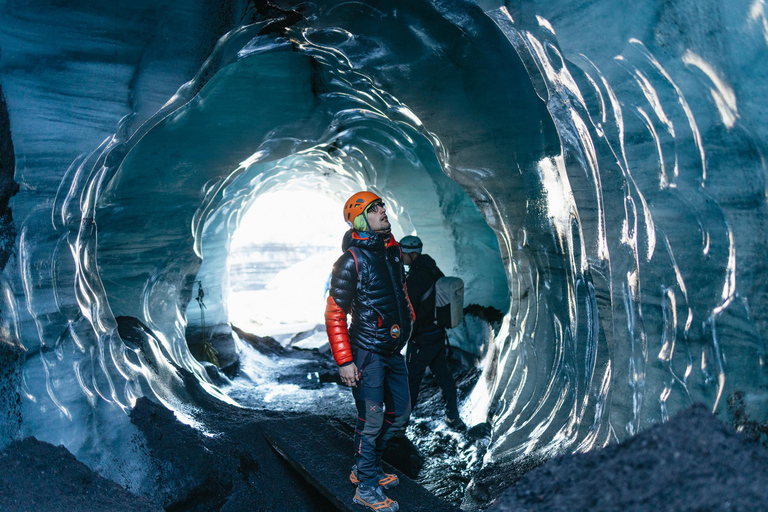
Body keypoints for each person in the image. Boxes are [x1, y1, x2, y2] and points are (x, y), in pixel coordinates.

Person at [325, 191, 414, 512]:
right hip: (366, 353)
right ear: (361, 219)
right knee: (371, 419)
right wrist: (345, 361)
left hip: (392, 349)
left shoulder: (392, 250)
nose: (382, 212)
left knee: (401, 414)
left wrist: (409, 325)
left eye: (381, 207)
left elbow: (399, 293)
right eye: (374, 210)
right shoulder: (350, 261)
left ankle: (369, 466)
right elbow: (335, 312)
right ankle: (365, 486)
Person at [400, 235, 466, 430]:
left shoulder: (415, 277)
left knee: (411, 381)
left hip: (421, 338)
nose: (400, 257)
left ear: (412, 254)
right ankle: (453, 417)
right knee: (444, 377)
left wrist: (407, 334)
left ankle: (401, 425)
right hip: (437, 334)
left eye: (402, 254)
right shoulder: (433, 269)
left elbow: (410, 310)